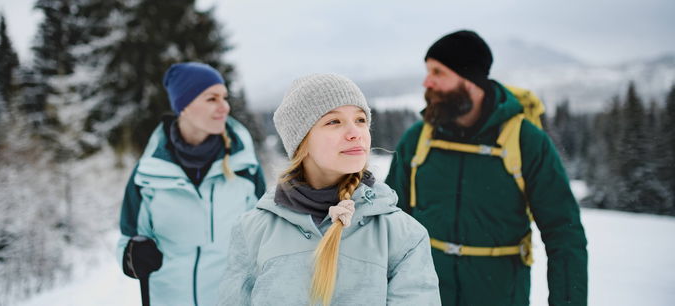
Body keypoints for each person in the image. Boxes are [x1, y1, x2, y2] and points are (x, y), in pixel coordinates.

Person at [385, 30, 588, 306]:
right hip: (425, 297)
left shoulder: (526, 142)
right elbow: (388, 226)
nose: (426, 81)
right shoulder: (418, 140)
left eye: (438, 72)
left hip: (500, 296)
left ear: (469, 81)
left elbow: (564, 235)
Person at [217, 73, 441, 306]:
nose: (355, 132)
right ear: (301, 141)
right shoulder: (252, 230)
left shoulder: (403, 236)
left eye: (361, 120)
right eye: (334, 121)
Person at [117, 62, 266, 306]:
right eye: (211, 99)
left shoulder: (244, 167)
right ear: (183, 105)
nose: (224, 107)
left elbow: (264, 235)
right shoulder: (148, 174)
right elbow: (128, 239)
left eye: (224, 98)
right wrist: (131, 257)